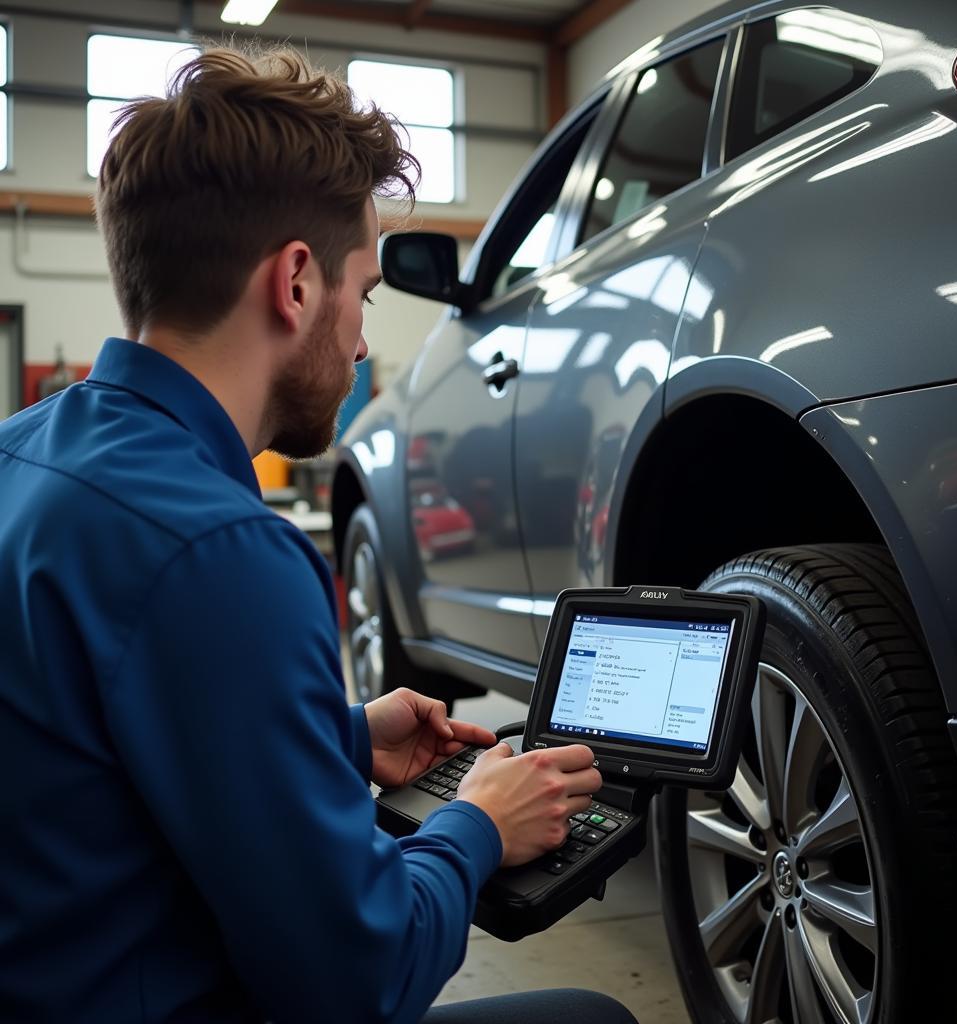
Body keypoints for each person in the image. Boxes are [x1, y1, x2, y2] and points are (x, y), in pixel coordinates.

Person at [0, 44, 641, 1024]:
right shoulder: (223, 555)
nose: (359, 342)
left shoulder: (21, 459)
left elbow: (106, 751)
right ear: (296, 283)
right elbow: (357, 981)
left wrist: (340, 739)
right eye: (366, 293)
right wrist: (477, 824)